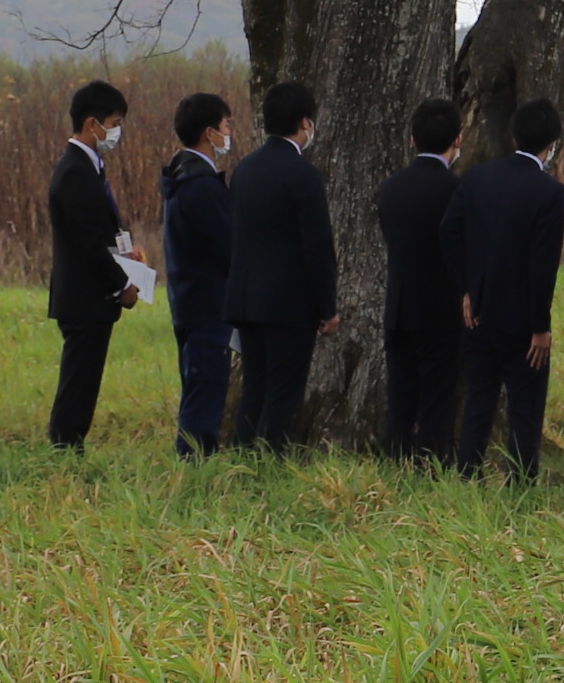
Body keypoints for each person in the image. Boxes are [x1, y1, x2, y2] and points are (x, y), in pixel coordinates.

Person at [445, 96, 564, 480]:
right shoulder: (550, 193)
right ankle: (520, 479)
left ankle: (468, 472)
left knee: (479, 400)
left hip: (478, 310)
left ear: (514, 134)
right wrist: (541, 326)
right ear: (552, 144)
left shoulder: (479, 176)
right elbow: (542, 265)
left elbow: (448, 230)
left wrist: (467, 288)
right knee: (525, 406)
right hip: (522, 319)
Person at [225, 77, 342, 449]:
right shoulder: (303, 175)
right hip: (288, 304)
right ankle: (269, 467)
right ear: (305, 122)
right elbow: (317, 247)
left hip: (246, 298)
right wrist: (327, 306)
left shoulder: (244, 170)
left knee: (254, 389)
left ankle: (241, 464)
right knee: (284, 392)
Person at [42, 78, 139, 451]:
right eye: (113, 123)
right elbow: (87, 243)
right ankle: (65, 447)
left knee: (87, 379)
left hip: (93, 298)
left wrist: (128, 254)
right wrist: (121, 285)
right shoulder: (74, 173)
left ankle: (71, 443)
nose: (116, 132)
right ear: (91, 124)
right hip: (84, 297)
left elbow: (104, 229)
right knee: (79, 380)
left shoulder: (89, 169)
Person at [373, 96, 465, 464]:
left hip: (398, 306)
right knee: (437, 401)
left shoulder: (391, 187)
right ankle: (430, 465)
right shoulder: (457, 190)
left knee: (401, 398)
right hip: (441, 311)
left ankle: (395, 460)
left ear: (412, 139)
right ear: (457, 139)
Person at [157, 92, 238, 457]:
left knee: (198, 387)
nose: (229, 132)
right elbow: (227, 246)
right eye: (226, 125)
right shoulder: (202, 186)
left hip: (186, 301)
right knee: (204, 396)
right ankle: (193, 467)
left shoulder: (179, 178)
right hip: (208, 306)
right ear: (209, 132)